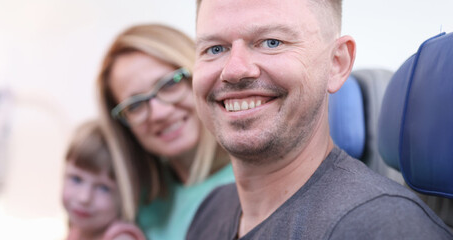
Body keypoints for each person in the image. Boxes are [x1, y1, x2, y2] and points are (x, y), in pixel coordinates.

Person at [187, 0, 453, 239]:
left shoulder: (381, 227)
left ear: (337, 62)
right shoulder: (212, 209)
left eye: (271, 42)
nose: (234, 70)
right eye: (215, 48)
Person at [96, 24, 235, 240]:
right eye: (134, 106)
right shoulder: (137, 203)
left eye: (170, 84)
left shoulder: (257, 181)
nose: (158, 113)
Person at [63, 120, 146, 240]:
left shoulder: (121, 237)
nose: (84, 198)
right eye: (76, 179)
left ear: (128, 194)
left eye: (104, 188)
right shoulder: (77, 227)